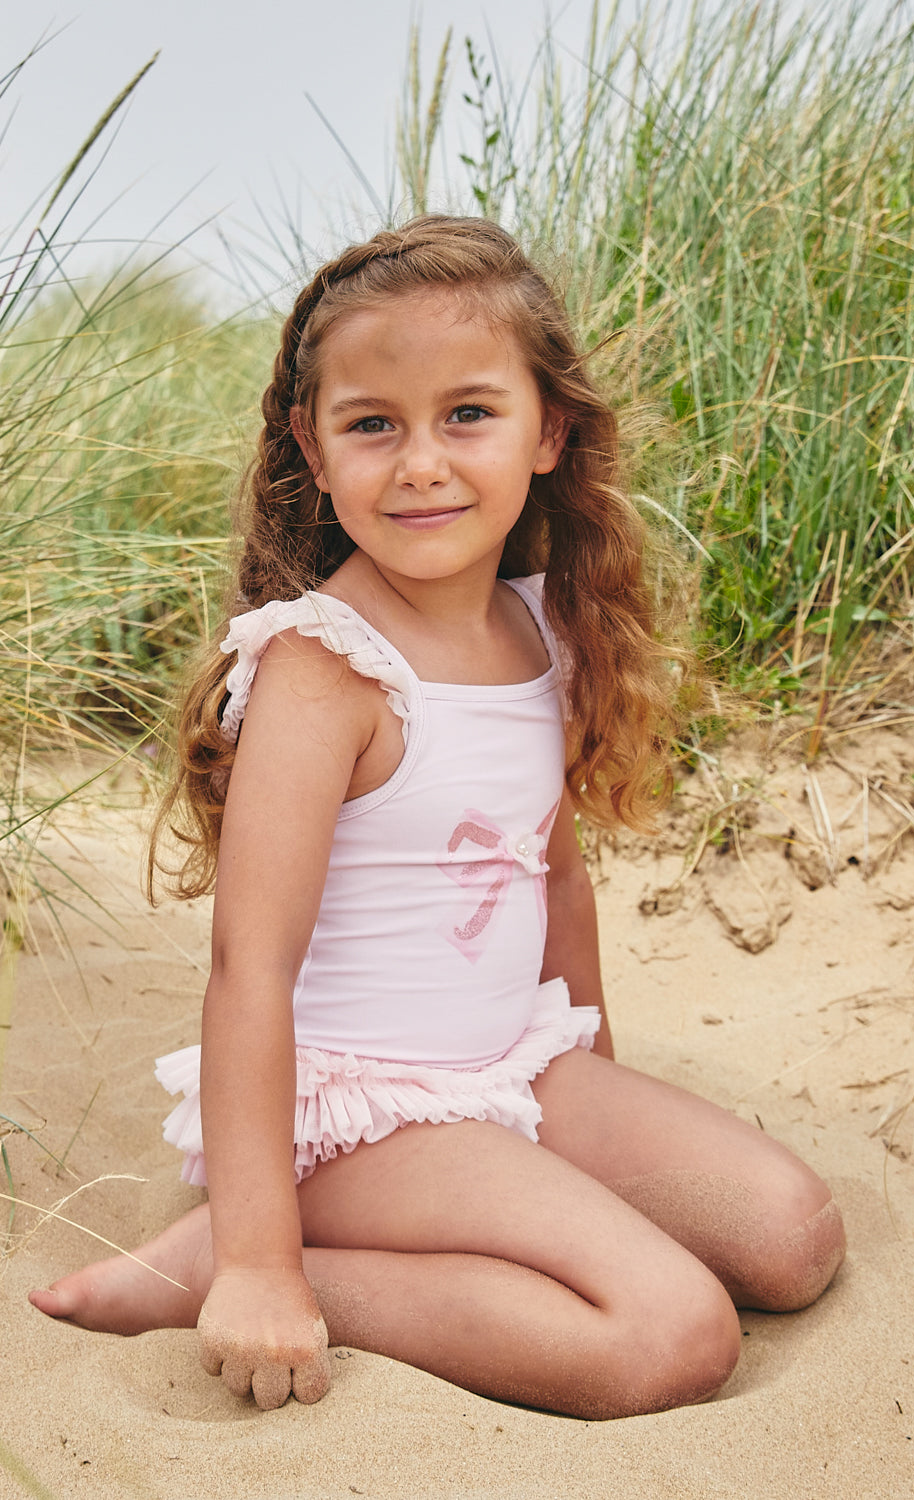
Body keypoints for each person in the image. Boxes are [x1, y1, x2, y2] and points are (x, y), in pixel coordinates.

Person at [29, 216, 845, 1420]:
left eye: (467, 414)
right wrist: (260, 1261)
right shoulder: (323, 668)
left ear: (548, 430)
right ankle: (234, 1256)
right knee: (670, 1338)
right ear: (311, 446)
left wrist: (585, 1094)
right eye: (373, 424)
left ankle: (329, 1233)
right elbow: (248, 969)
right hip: (355, 1113)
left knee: (790, 1238)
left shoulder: (538, 626)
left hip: (509, 1067)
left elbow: (552, 874)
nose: (420, 463)